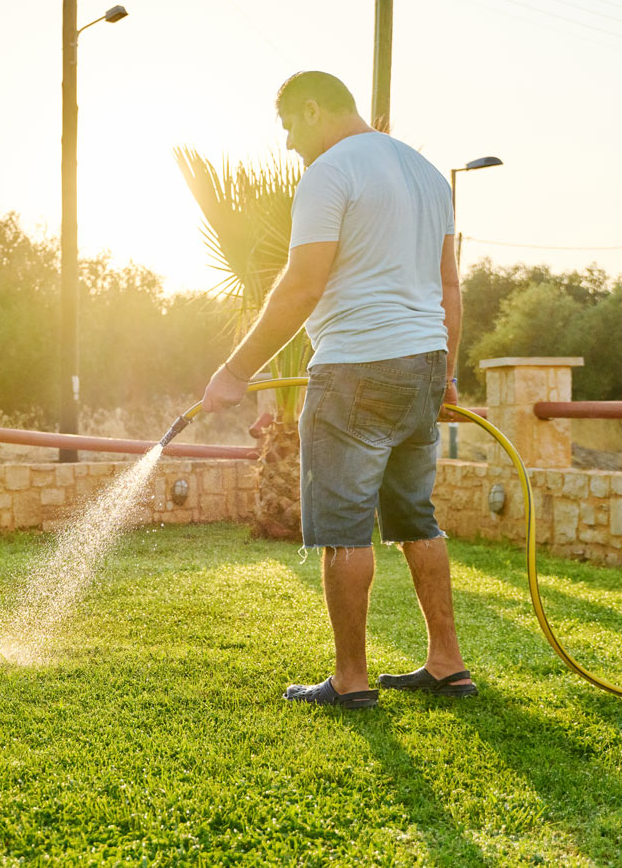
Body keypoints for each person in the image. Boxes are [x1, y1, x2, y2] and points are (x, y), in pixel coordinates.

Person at [199, 70, 476, 709]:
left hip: (353, 370)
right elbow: (450, 287)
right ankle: (446, 662)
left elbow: (303, 285)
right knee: (417, 518)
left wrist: (235, 372)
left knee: (344, 531)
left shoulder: (330, 172)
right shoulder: (428, 175)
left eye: (292, 128)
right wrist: (448, 373)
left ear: (314, 109)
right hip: (421, 365)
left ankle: (351, 680)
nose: (293, 144)